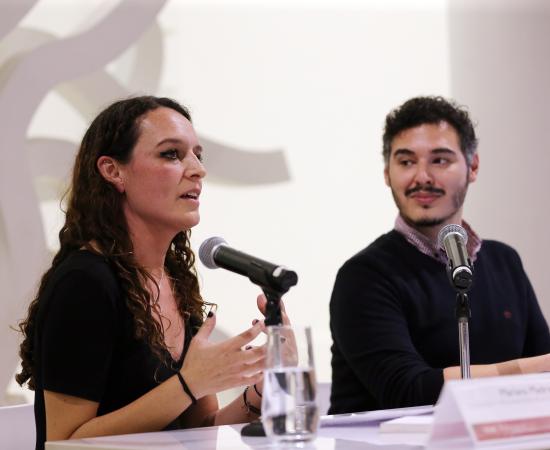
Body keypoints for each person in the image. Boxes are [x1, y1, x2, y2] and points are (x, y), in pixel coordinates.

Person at [15, 96, 281, 450]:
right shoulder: (84, 283)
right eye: (171, 154)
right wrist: (189, 384)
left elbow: (200, 429)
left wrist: (263, 387)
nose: (197, 170)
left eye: (197, 155)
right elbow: (64, 443)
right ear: (113, 171)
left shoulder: (175, 279)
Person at [329, 96, 550, 414]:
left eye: (440, 161)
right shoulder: (364, 276)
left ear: (473, 167)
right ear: (387, 173)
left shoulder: (505, 261)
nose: (422, 177)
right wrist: (534, 370)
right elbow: (407, 391)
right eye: (406, 162)